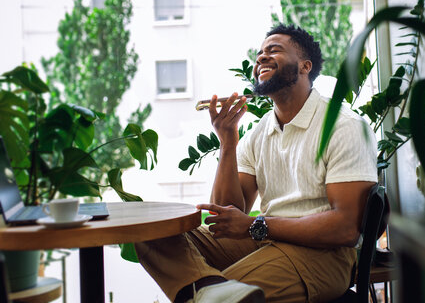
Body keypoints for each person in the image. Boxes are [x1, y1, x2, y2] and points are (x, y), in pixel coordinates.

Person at [134, 24, 378, 303]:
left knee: (206, 298)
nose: (261, 58)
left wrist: (256, 225)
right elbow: (228, 214)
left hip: (323, 255)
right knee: (151, 232)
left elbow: (346, 228)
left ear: (304, 66)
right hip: (266, 241)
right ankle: (213, 290)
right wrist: (227, 142)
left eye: (274, 51)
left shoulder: (343, 126)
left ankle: (210, 294)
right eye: (260, 53)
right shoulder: (260, 132)